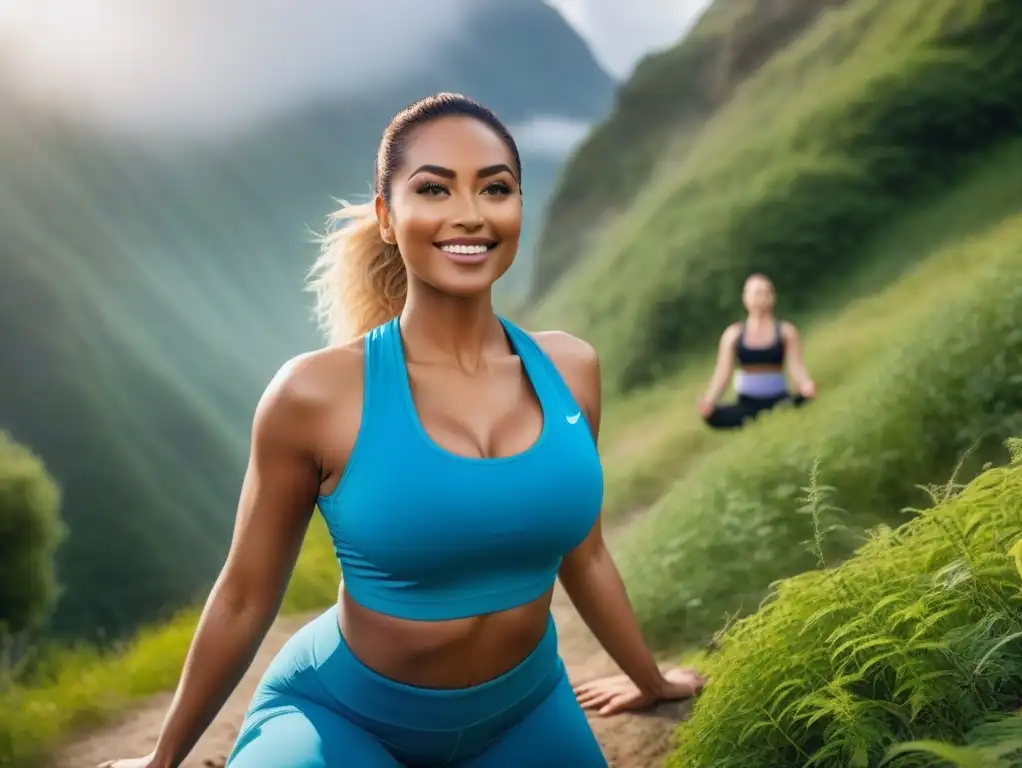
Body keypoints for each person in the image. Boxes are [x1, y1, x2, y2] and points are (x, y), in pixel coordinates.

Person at [100, 92, 704, 768]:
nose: (470, 214)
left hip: (524, 710)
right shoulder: (315, 394)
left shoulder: (572, 368)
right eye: (434, 189)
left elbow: (585, 554)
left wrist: (652, 682)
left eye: (495, 188)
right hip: (343, 719)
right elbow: (245, 594)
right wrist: (162, 760)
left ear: (518, 209)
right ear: (388, 218)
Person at [697, 273, 816, 430]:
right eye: (755, 293)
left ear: (772, 296)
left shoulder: (786, 331)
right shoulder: (733, 334)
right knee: (713, 417)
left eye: (764, 292)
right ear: (745, 298)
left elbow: (796, 365)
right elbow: (723, 372)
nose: (760, 297)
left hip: (778, 399)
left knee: (799, 402)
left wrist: (805, 384)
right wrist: (710, 400)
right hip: (746, 403)